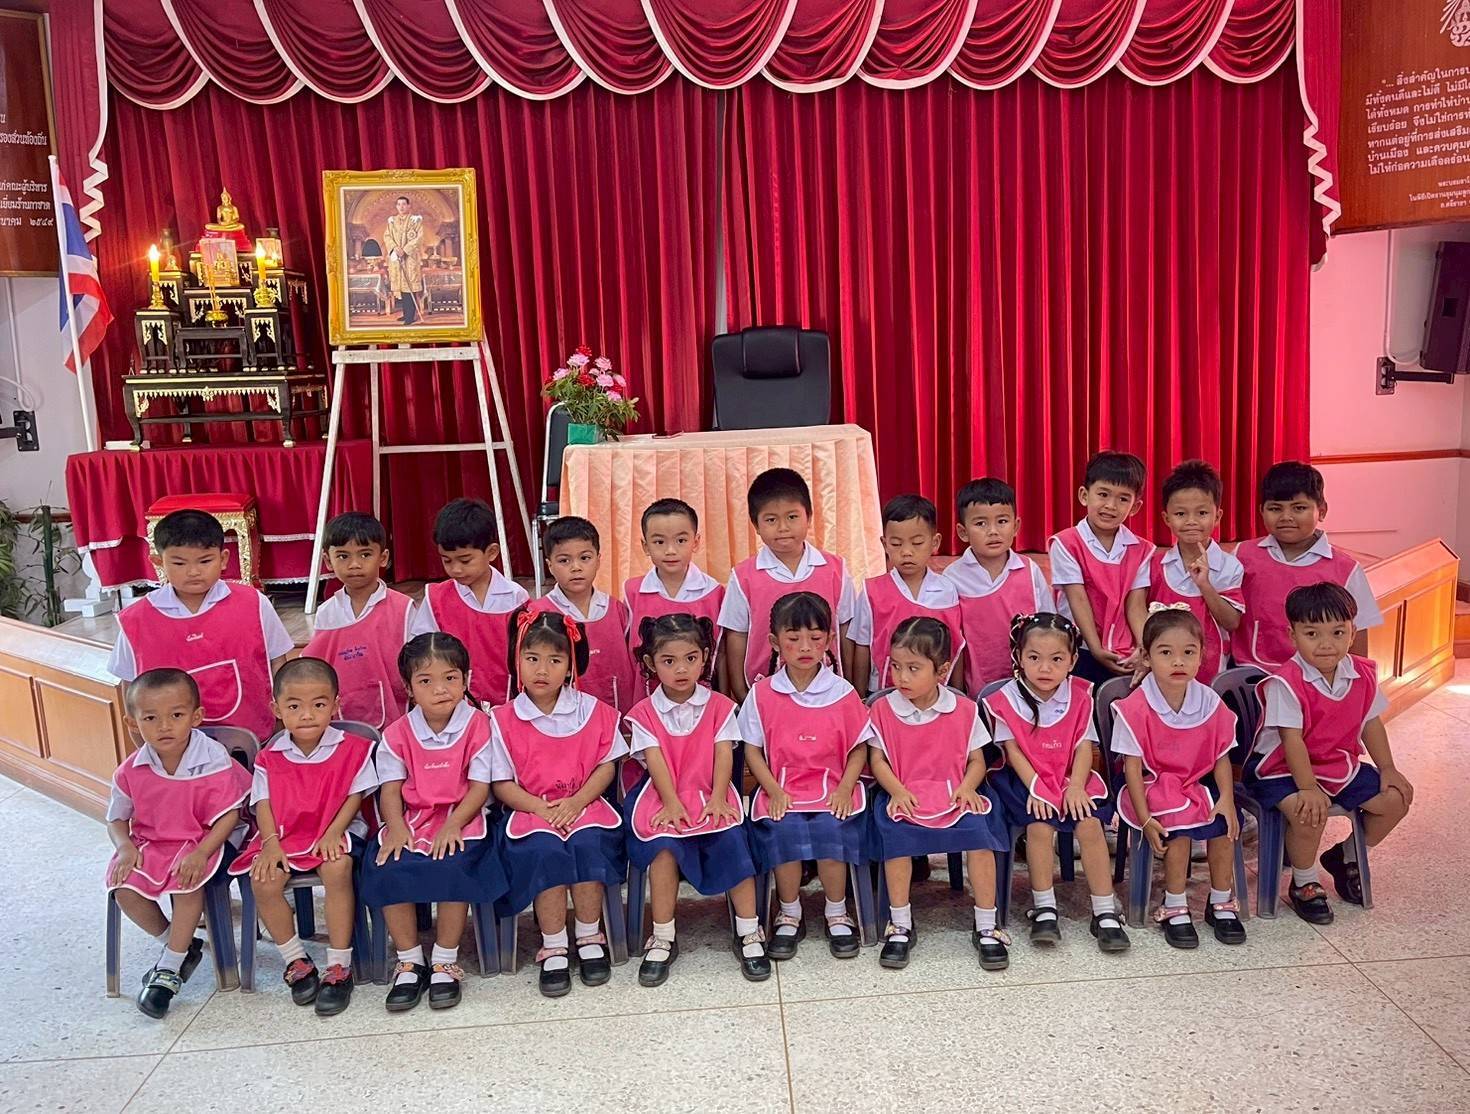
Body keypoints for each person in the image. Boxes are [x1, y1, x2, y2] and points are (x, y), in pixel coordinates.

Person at [1244, 583, 1413, 924]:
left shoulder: (1362, 674)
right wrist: (1307, 788)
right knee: (1309, 812)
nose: (1326, 644)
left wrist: (1388, 767)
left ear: (1352, 633)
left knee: (1396, 798)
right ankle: (1304, 882)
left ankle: (1346, 857)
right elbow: (1291, 740)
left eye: (1337, 632)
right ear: (1292, 636)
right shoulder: (1286, 682)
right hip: (1279, 769)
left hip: (1335, 763)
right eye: (1312, 633)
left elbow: (1371, 723)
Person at [359, 633, 507, 1013]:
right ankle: (409, 960)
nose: (440, 689)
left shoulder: (479, 725)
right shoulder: (396, 734)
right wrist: (395, 827)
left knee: (453, 864)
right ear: (408, 688)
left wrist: (454, 824)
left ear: (466, 679)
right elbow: (390, 790)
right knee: (388, 865)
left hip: (464, 817)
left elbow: (479, 787)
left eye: (450, 678)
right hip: (412, 819)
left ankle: (444, 959)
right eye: (426, 681)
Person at [622, 613, 768, 985]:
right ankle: (663, 935)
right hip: (663, 794)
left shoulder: (720, 705)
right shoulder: (644, 713)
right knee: (664, 847)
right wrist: (671, 803)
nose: (681, 669)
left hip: (710, 790)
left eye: (690, 658)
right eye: (668, 661)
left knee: (732, 839)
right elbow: (655, 761)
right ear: (651, 663)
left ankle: (748, 930)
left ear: (704, 657)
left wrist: (718, 798)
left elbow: (723, 754)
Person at [490, 607, 628, 997]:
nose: (542, 670)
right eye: (532, 658)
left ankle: (588, 934)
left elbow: (606, 766)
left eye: (555, 660)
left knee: (588, 843)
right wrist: (539, 808)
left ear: (571, 665)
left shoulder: (594, 712)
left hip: (585, 805)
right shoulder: (502, 719)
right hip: (531, 810)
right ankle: (553, 944)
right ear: (517, 659)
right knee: (544, 849)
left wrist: (578, 801)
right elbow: (501, 783)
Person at [229, 658, 377, 1013]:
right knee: (264, 880)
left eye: (319, 704)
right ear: (277, 709)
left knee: (337, 867)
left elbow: (355, 796)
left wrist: (334, 832)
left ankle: (339, 965)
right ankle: (297, 960)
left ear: (335, 705)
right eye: (294, 706)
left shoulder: (354, 748)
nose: (307, 715)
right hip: (283, 833)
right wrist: (269, 844)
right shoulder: (269, 756)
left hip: (335, 829)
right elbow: (263, 803)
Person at [866, 618, 1012, 971]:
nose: (901, 677)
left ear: (942, 671)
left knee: (980, 835)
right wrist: (897, 791)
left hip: (953, 791)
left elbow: (977, 760)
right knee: (896, 836)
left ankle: (987, 924)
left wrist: (967, 786)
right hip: (903, 791)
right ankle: (900, 923)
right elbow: (877, 760)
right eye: (896, 666)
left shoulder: (964, 709)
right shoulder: (882, 709)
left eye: (913, 668)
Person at [106, 669, 251, 1018]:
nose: (164, 726)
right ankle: (180, 944)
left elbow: (229, 815)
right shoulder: (130, 770)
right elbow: (116, 819)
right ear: (132, 722)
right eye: (150, 718)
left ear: (196, 716)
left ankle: (169, 969)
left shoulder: (213, 757)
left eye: (176, 715)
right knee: (123, 889)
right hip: (154, 840)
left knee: (187, 883)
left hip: (207, 838)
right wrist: (125, 847)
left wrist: (201, 852)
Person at [984, 613, 1129, 952]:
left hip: (1070, 774)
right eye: (1034, 657)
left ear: (1073, 660)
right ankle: (1044, 908)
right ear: (1019, 657)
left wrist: (1076, 786)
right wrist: (1037, 787)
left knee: (1090, 824)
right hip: (1026, 779)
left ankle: (1105, 911)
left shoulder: (1081, 694)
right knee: (1039, 826)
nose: (1045, 668)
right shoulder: (1006, 699)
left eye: (1057, 659)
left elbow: (1083, 746)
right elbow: (1012, 751)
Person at [739, 592, 869, 961]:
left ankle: (837, 911)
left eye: (815, 637)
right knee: (784, 831)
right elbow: (752, 750)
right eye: (794, 638)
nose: (805, 647)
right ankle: (789, 912)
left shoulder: (842, 692)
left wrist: (845, 788)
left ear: (830, 640)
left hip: (833, 787)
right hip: (781, 786)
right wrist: (773, 790)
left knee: (831, 830)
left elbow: (859, 748)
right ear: (774, 641)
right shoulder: (762, 693)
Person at [1112, 605, 1247, 948]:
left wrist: (1227, 799)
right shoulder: (1136, 706)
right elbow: (1131, 768)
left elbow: (1220, 755)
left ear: (1202, 655)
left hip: (1196, 783)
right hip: (1152, 784)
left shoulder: (1209, 701)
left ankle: (1221, 901)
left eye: (1188, 652)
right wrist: (1145, 819)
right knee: (1180, 826)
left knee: (1224, 825)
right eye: (1165, 653)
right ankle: (1174, 904)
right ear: (1146, 657)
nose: (1178, 661)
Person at [109, 509, 293, 741]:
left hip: (254, 740)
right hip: (174, 748)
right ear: (158, 562)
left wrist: (282, 724)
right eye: (179, 563)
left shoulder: (253, 602)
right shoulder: (136, 620)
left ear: (223, 559)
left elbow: (278, 662)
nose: (193, 571)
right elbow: (130, 683)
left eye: (205, 561)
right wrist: (140, 740)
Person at [721, 468, 858, 699]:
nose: (783, 527)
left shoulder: (835, 569)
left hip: (827, 691)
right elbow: (736, 635)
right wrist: (741, 692)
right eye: (771, 520)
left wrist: (850, 686)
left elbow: (845, 629)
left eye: (792, 517)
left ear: (809, 517)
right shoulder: (743, 576)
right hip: (766, 693)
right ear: (756, 525)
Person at [1235, 462, 1384, 671]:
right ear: (1261, 511)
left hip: (1317, 678)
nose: (1286, 517)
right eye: (1275, 508)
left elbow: (1358, 634)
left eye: (1299, 508)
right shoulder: (1242, 555)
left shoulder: (1346, 570)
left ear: (1321, 511)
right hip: (1248, 674)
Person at [412, 498, 528, 707]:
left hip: (509, 702)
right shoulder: (436, 598)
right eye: (447, 560)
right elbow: (422, 651)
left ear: (491, 552)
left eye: (465, 560)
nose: (456, 569)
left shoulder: (515, 598)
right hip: (453, 705)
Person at [303, 511, 415, 729]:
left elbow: (418, 666)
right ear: (327, 560)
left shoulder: (404, 608)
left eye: (365, 555)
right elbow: (316, 667)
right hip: (340, 719)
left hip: (398, 719)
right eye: (343, 556)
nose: (354, 564)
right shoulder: (326, 613)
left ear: (383, 558)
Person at [941, 478, 1053, 695]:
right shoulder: (952, 578)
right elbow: (953, 643)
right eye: (980, 524)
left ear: (1016, 526)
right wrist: (958, 694)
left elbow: (1049, 627)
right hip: (977, 691)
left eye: (1002, 521)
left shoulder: (1030, 570)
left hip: (1030, 688)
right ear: (962, 532)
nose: (993, 531)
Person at [1047, 451, 1150, 683]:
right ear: (1084, 495)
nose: (1111, 506)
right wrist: (1095, 649)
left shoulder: (1142, 549)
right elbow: (1078, 599)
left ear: (1135, 507)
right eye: (1103, 494)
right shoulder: (1066, 543)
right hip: (1080, 648)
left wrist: (1145, 647)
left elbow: (1135, 604)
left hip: (1125, 650)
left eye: (1123, 499)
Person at [1139, 461, 1244, 685]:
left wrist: (1205, 584)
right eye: (1180, 513)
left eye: (1202, 513)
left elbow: (1232, 622)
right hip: (1161, 674)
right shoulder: (1154, 564)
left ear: (1217, 516)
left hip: (1211, 674)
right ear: (1166, 518)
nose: (1191, 522)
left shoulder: (1229, 566)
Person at [848, 494, 964, 698]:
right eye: (896, 544)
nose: (907, 552)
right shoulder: (871, 591)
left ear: (935, 542)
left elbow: (955, 646)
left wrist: (959, 693)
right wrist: (860, 697)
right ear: (884, 544)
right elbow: (862, 646)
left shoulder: (947, 591)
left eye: (917, 543)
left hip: (935, 693)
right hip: (884, 691)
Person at [534, 516, 639, 713]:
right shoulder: (539, 614)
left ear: (598, 560)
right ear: (549, 566)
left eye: (585, 558)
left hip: (618, 714)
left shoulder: (616, 610)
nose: (576, 567)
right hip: (563, 718)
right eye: (564, 560)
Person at [624, 499, 724, 698]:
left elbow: (721, 656)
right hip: (647, 702)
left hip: (702, 700)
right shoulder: (632, 592)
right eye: (659, 542)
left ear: (696, 542)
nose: (670, 550)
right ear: (645, 546)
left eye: (681, 540)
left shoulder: (714, 593)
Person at [384, 195, 424, 325]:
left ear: (408, 206)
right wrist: (395, 248)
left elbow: (419, 238)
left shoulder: (415, 220)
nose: (401, 207)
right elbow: (387, 236)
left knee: (409, 287)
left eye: (404, 204)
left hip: (410, 259)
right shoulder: (392, 221)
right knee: (401, 288)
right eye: (399, 204)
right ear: (396, 206)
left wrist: (405, 250)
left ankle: (410, 316)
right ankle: (406, 314)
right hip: (397, 258)